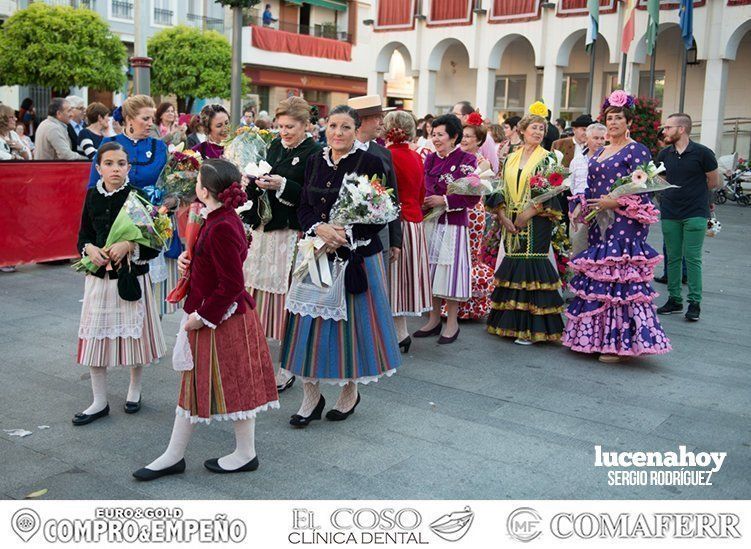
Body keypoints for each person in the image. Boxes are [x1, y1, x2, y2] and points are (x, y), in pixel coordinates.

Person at [133, 159, 278, 480]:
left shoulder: (223, 224)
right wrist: (191, 261)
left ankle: (234, 453)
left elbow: (232, 284)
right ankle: (193, 453)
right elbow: (223, 263)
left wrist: (201, 317)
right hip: (219, 315)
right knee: (214, 384)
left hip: (221, 318)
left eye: (197, 180)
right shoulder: (218, 218)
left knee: (226, 384)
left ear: (203, 189)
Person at [280, 105, 401, 427]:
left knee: (352, 329)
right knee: (308, 323)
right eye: (333, 126)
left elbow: (384, 212)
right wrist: (319, 229)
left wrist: (346, 233)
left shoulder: (372, 162)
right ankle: (310, 395)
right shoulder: (314, 160)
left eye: (345, 127)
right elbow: (304, 205)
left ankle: (349, 392)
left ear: (356, 129)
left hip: (355, 254)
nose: (337, 132)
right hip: (316, 251)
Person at [562, 91, 671, 362]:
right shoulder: (599, 150)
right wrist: (580, 204)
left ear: (628, 121)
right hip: (599, 222)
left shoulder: (637, 149)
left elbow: (643, 188)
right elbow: (590, 185)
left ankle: (616, 344)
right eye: (609, 118)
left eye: (618, 118)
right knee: (599, 277)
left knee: (618, 280)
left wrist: (616, 203)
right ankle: (593, 338)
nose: (613, 123)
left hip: (624, 224)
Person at [73, 141, 167, 426]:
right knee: (94, 338)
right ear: (99, 168)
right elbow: (82, 236)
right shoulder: (92, 196)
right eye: (110, 164)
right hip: (99, 279)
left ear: (128, 167)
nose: (116, 169)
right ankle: (98, 400)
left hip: (129, 277)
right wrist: (88, 249)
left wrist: (129, 245)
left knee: (134, 339)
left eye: (121, 164)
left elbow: (154, 244)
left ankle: (134, 390)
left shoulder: (137, 197)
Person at [241, 97, 322, 393]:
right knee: (257, 297)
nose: (284, 131)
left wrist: (283, 185)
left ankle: (286, 366)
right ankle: (258, 359)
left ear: (306, 126)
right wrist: (250, 180)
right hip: (264, 230)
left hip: (291, 234)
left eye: (290, 126)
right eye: (281, 126)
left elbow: (314, 195)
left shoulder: (314, 152)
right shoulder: (274, 146)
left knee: (286, 302)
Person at [87, 96, 174, 315]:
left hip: (152, 226)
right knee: (116, 288)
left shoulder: (159, 147)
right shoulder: (108, 147)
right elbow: (93, 190)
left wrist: (172, 200)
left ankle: (148, 339)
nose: (150, 123)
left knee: (152, 291)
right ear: (129, 119)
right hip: (116, 227)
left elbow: (170, 184)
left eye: (152, 118)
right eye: (145, 118)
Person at [486, 109, 565, 345]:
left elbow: (549, 191)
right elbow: (499, 187)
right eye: (535, 128)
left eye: (542, 129)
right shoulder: (510, 156)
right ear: (522, 131)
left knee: (532, 266)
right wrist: (502, 215)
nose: (539, 132)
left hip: (536, 220)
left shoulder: (549, 158)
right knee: (514, 265)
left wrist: (527, 214)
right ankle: (511, 325)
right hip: (510, 218)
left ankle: (532, 329)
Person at [415, 114, 480, 344]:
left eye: (440, 134)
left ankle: (451, 323)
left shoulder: (467, 160)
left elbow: (472, 198)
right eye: (433, 134)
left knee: (450, 274)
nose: (436, 139)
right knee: (431, 272)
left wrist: (444, 200)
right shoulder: (430, 159)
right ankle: (433, 319)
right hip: (430, 223)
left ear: (454, 136)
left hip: (453, 224)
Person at [655, 113, 720, 322]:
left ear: (681, 129)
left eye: (668, 127)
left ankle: (694, 303)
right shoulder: (664, 154)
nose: (664, 131)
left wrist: (695, 194)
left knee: (692, 258)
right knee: (673, 257)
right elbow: (660, 181)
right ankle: (674, 299)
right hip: (670, 212)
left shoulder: (703, 153)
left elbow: (713, 181)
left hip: (696, 213)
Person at [383, 110, 432, 352]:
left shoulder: (387, 156)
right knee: (403, 280)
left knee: (393, 280)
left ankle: (396, 333)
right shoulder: (416, 156)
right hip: (415, 222)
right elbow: (422, 192)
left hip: (398, 223)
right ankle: (400, 332)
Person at [348, 95, 403, 265]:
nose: (382, 122)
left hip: (380, 235)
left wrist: (395, 240)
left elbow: (392, 198)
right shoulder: (338, 151)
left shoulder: (383, 153)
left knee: (377, 285)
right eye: (378, 117)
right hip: (345, 235)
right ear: (361, 121)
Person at [455, 114, 494, 320]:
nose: (464, 139)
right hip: (452, 209)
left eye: (469, 136)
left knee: (470, 256)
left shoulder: (482, 163)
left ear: (478, 140)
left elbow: (484, 188)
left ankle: (468, 307)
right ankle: (449, 303)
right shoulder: (455, 157)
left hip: (473, 212)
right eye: (462, 135)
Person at [567, 122, 606, 257]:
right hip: (579, 209)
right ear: (587, 139)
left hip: (603, 208)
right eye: (596, 138)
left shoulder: (609, 160)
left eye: (602, 138)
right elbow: (572, 185)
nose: (600, 142)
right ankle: (577, 276)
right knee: (577, 246)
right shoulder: (576, 160)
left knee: (601, 248)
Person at [452, 101, 498, 173]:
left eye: (455, 114)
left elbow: (494, 168)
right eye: (462, 136)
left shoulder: (486, 139)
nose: (463, 139)